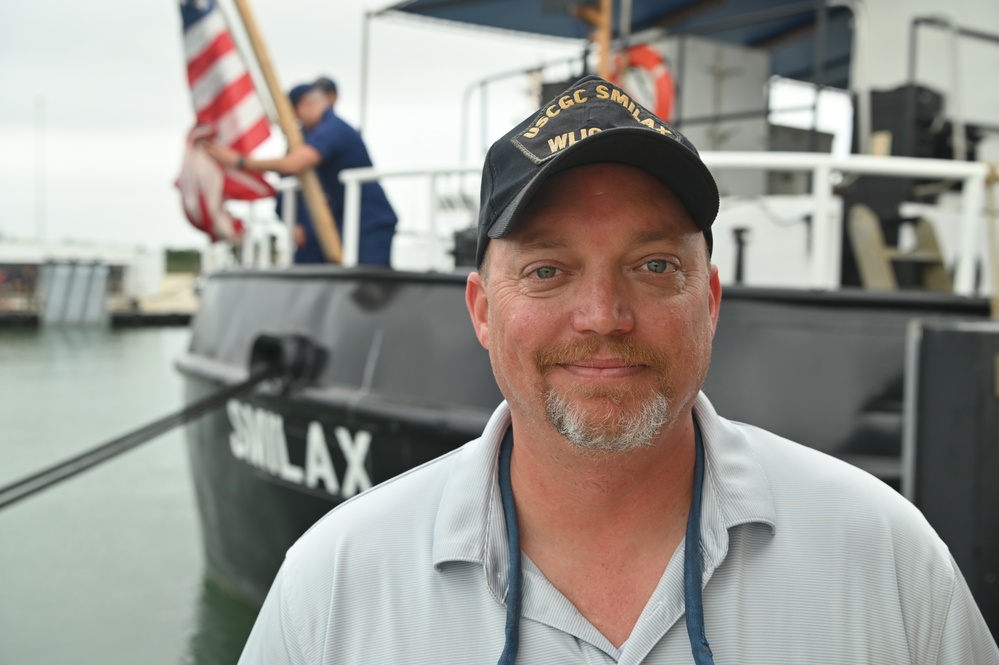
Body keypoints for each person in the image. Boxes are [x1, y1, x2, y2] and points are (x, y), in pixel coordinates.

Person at [236, 76, 999, 664]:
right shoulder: (334, 586)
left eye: (654, 263)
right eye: (545, 270)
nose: (602, 313)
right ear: (479, 309)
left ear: (708, 298)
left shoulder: (888, 561)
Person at [205, 81, 397, 266]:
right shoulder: (309, 136)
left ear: (307, 104)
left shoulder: (333, 129)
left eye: (294, 115)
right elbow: (287, 179)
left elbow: (293, 164)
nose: (295, 122)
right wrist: (293, 220)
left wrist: (240, 161)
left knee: (368, 283)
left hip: (368, 221)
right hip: (338, 223)